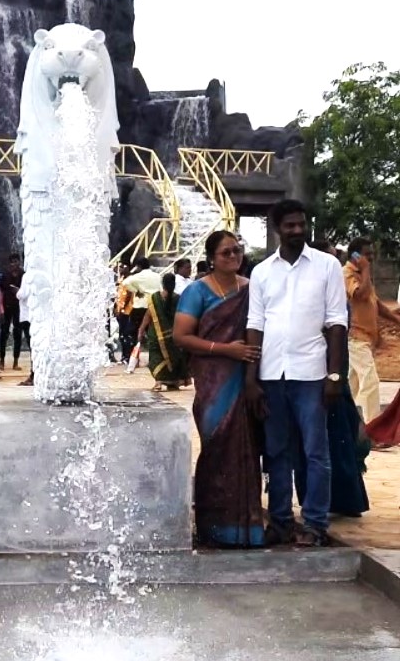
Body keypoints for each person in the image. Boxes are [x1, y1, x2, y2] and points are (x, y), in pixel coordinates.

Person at [245, 199, 348, 547]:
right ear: (277, 229)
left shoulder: (327, 266)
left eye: (301, 224)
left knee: (316, 452)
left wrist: (334, 376)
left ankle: (315, 524)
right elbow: (255, 324)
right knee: (276, 452)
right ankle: (280, 522)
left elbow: (337, 323)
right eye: (289, 225)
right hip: (272, 374)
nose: (297, 230)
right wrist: (251, 379)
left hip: (311, 374)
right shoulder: (262, 272)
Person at [173, 230, 264, 547]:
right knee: (217, 446)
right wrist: (226, 349)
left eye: (237, 250)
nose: (233, 256)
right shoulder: (197, 291)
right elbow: (181, 336)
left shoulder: (251, 289)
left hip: (247, 378)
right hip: (213, 380)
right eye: (226, 252)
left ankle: (246, 529)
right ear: (212, 258)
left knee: (246, 449)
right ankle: (214, 527)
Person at [295, 239, 370, 517]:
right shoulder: (308, 293)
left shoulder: (335, 294)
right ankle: (319, 503)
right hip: (310, 375)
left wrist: (336, 376)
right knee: (315, 445)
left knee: (338, 440)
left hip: (333, 377)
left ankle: (344, 501)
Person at [344, 237, 400, 423]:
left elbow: (375, 303)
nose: (372, 258)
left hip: (367, 338)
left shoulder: (363, 275)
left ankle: (348, 423)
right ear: (355, 255)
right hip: (355, 337)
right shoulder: (347, 273)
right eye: (368, 254)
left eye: (372, 254)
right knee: (370, 381)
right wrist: (366, 269)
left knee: (351, 384)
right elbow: (360, 294)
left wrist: (396, 320)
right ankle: (373, 426)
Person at [137, 272, 189, 391]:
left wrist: (141, 329)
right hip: (174, 335)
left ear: (162, 283)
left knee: (156, 357)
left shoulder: (155, 298)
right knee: (174, 357)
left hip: (157, 335)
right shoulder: (178, 298)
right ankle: (174, 382)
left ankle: (158, 382)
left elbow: (148, 315)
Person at [122, 257, 162, 361]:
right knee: (153, 334)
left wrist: (136, 290)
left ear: (139, 266)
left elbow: (125, 282)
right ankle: (154, 358)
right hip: (154, 305)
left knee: (133, 332)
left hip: (141, 306)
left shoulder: (138, 276)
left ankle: (133, 358)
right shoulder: (157, 276)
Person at [0, 253, 25, 370]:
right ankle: (2, 361)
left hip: (19, 308)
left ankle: (16, 362)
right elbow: (1, 291)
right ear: (9, 263)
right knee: (4, 333)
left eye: (16, 261)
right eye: (12, 262)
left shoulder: (23, 274)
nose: (14, 264)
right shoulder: (5, 274)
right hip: (7, 306)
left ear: (19, 262)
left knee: (17, 333)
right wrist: (1, 309)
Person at [114, 261, 135, 363]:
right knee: (122, 334)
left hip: (127, 311)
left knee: (126, 334)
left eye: (123, 266)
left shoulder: (130, 280)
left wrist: (122, 309)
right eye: (120, 267)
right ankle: (124, 355)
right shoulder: (121, 279)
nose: (121, 269)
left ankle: (127, 356)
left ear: (128, 268)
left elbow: (129, 295)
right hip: (121, 311)